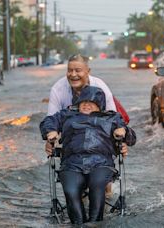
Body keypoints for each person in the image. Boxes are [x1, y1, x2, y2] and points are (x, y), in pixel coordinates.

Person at [40, 86, 136, 224]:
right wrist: (50, 131)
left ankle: (95, 223)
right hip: (71, 164)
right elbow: (48, 121)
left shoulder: (112, 117)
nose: (86, 105)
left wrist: (124, 131)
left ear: (100, 105)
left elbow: (132, 139)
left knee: (97, 186)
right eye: (83, 102)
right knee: (71, 190)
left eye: (91, 102)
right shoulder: (66, 114)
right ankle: (78, 223)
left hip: (101, 163)